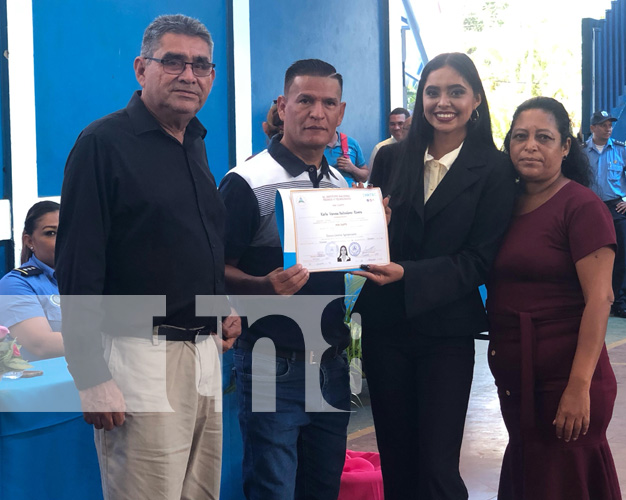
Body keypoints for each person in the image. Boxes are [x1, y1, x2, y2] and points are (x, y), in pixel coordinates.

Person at [54, 15, 240, 500]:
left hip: (202, 352)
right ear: (141, 69)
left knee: (200, 492)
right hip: (138, 353)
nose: (189, 75)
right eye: (173, 61)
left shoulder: (194, 143)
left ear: (212, 76)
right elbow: (78, 268)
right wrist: (91, 376)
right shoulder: (103, 144)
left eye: (201, 65)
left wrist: (220, 302)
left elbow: (186, 242)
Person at [353, 52, 517, 500]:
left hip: (446, 330)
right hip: (387, 327)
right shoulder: (391, 159)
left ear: (477, 100)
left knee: (437, 464)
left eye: (456, 91)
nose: (443, 102)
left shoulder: (496, 169)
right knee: (397, 456)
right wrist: (368, 226)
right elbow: (370, 245)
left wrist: (408, 272)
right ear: (420, 98)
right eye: (432, 92)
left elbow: (478, 260)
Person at [219, 58, 351, 499]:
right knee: (273, 488)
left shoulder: (342, 187)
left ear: (341, 112)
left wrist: (373, 236)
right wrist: (262, 285)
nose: (317, 112)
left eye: (328, 103)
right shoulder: (247, 182)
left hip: (331, 364)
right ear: (283, 104)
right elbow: (211, 268)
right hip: (271, 362)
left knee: (322, 487)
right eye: (305, 100)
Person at [488, 96, 621, 500]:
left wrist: (579, 387)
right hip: (517, 380)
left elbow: (600, 299)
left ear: (566, 147)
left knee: (566, 480)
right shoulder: (501, 205)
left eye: (544, 137)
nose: (530, 146)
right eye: (520, 137)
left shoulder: (581, 206)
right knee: (530, 474)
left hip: (567, 378)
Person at [585, 110, 626, 319]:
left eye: (610, 125)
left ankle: (619, 302)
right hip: (590, 209)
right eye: (603, 125)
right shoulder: (582, 152)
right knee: (590, 255)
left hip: (615, 208)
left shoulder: (621, 148)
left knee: (618, 257)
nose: (608, 128)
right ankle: (591, 301)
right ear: (592, 128)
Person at [0, 201, 63, 360]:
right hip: (48, 382)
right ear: (29, 241)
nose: (63, 240)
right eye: (51, 233)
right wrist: (113, 340)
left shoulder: (93, 278)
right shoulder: (15, 284)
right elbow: (41, 344)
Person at [367, 107, 411, 171]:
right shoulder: (380, 148)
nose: (396, 128)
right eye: (392, 124)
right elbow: (373, 178)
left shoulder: (418, 147)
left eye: (400, 123)